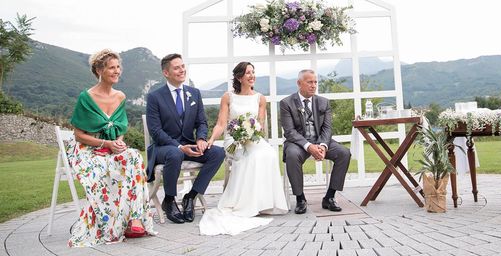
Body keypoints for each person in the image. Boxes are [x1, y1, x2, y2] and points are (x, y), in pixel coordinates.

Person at [67, 49, 153, 247]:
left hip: (111, 148)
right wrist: (105, 144)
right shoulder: (86, 97)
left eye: (118, 67)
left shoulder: (120, 97)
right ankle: (110, 225)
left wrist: (119, 142)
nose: (117, 71)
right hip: (87, 149)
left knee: (133, 156)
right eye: (112, 68)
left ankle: (135, 219)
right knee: (100, 167)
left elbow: (120, 128)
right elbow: (79, 135)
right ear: (99, 70)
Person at [199, 62, 288, 236]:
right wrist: (210, 139)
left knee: (269, 153)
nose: (252, 75)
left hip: (253, 138)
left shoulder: (260, 98)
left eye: (253, 72)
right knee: (252, 157)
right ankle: (246, 203)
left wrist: (251, 132)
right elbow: (221, 123)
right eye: (248, 73)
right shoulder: (228, 97)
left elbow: (260, 125)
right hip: (234, 139)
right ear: (239, 77)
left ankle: (265, 203)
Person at [146, 54, 225, 224]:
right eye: (177, 67)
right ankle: (169, 200)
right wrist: (179, 147)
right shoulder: (155, 97)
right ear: (166, 73)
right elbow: (156, 131)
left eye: (182, 66)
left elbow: (202, 122)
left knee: (218, 153)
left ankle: (191, 196)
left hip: (189, 144)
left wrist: (201, 139)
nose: (182, 70)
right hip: (163, 147)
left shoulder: (194, 93)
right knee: (175, 154)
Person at [280, 69, 351, 214]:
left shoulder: (323, 102)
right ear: (299, 83)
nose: (313, 85)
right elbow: (290, 132)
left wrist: (323, 146)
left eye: (315, 82)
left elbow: (327, 128)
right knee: (292, 155)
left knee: (344, 153)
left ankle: (330, 197)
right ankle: (300, 199)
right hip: (298, 143)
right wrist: (309, 146)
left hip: (321, 140)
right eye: (309, 82)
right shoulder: (286, 103)